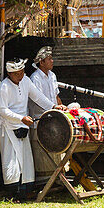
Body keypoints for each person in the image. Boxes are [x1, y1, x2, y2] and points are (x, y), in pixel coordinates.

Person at [0, 58, 58, 197]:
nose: (20, 75)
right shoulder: (4, 86)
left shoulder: (26, 81)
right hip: (8, 126)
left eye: (22, 72)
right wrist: (20, 118)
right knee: (11, 160)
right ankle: (12, 193)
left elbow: (38, 97)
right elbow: (2, 110)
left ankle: (25, 191)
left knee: (25, 159)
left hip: (23, 125)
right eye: (17, 73)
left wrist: (53, 106)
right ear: (9, 74)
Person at [28, 46, 64, 178]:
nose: (52, 61)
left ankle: (57, 178)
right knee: (41, 152)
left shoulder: (52, 76)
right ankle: (44, 180)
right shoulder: (35, 78)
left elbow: (56, 96)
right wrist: (54, 107)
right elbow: (38, 99)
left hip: (53, 117)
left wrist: (61, 108)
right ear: (41, 62)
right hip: (40, 119)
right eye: (49, 59)